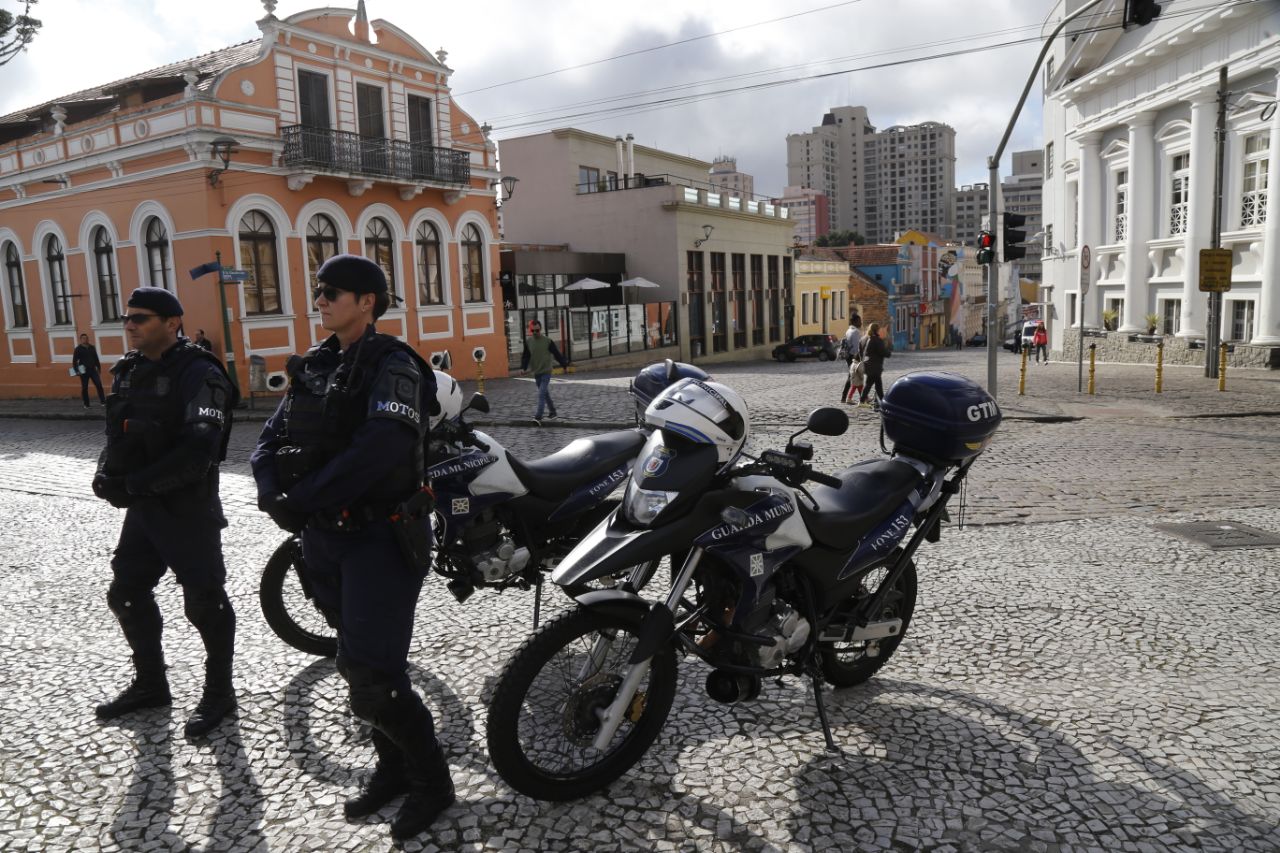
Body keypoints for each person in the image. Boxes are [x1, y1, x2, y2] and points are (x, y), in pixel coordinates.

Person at [250, 254, 451, 841]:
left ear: (367, 300)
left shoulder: (393, 365)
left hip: (379, 538)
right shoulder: (316, 364)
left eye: (332, 291)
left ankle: (433, 784)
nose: (321, 299)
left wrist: (304, 496)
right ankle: (394, 770)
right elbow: (270, 439)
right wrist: (273, 496)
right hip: (324, 540)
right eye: (318, 290)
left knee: (375, 673)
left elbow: (383, 448)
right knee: (353, 662)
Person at [91, 287, 238, 739]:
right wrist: (104, 473)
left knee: (204, 601)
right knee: (127, 593)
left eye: (141, 318)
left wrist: (134, 485)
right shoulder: (130, 372)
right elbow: (117, 435)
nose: (130, 325)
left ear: (172, 322)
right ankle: (151, 684)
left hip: (187, 507)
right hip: (143, 509)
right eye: (127, 318)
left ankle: (219, 691)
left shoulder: (199, 373)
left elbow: (198, 452)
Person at [519, 319, 568, 425]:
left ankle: (538, 417)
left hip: (546, 371)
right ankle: (553, 412)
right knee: (545, 394)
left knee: (541, 394)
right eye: (533, 331)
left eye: (537, 330)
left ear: (540, 329)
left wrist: (564, 364)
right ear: (530, 330)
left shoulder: (547, 341)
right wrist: (523, 367)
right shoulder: (529, 342)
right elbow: (526, 356)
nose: (535, 333)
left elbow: (557, 354)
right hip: (537, 372)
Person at [858, 322, 892, 408]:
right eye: (879, 329)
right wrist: (888, 350)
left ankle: (882, 402)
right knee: (871, 385)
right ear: (876, 330)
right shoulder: (877, 340)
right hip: (874, 367)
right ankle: (862, 401)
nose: (881, 331)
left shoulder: (869, 339)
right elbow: (884, 352)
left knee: (877, 385)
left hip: (870, 366)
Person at [73, 332, 107, 407]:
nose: (85, 339)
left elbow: (96, 358)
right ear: (80, 340)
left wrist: (98, 367)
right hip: (83, 371)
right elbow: (74, 361)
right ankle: (86, 404)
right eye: (83, 338)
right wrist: (76, 370)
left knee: (99, 385)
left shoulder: (92, 347)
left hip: (93, 370)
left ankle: (103, 402)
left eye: (86, 338)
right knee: (85, 388)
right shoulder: (78, 349)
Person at [838, 315, 863, 403]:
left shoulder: (848, 330)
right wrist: (859, 359)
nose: (861, 323)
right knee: (855, 377)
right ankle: (846, 397)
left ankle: (846, 397)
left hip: (848, 357)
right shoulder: (855, 332)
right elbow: (857, 348)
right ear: (855, 322)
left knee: (853, 376)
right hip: (854, 357)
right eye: (859, 321)